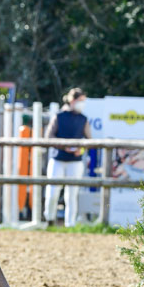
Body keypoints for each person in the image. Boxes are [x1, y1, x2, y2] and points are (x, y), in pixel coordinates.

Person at [44, 87, 91, 227]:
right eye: (81, 100)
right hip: (58, 158)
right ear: (73, 100)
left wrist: (81, 150)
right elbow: (49, 136)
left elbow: (89, 140)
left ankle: (70, 224)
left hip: (75, 161)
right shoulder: (59, 116)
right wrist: (64, 147)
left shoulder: (84, 119)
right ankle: (49, 220)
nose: (82, 104)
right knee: (52, 192)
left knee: (72, 195)